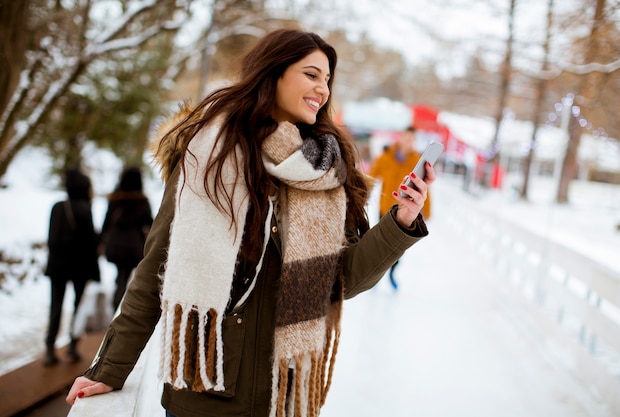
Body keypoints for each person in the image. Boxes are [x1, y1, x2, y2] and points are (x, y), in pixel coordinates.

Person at [66, 29, 435, 417]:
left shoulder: (325, 168)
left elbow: (341, 280)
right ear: (273, 73)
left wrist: (403, 220)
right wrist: (110, 368)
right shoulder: (209, 154)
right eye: (311, 74)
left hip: (284, 397)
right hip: (206, 396)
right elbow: (157, 267)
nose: (323, 89)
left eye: (327, 79)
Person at [43, 168, 100, 366]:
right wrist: (95, 271)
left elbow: (51, 239)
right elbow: (90, 244)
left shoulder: (58, 207)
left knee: (56, 306)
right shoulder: (85, 209)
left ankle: (49, 349)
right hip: (79, 267)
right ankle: (73, 346)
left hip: (58, 266)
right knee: (78, 306)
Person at [369, 126, 432, 291]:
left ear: (414, 141)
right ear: (401, 138)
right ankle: (375, 277)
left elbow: (425, 187)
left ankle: (391, 273)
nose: (408, 141)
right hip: (384, 207)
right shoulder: (387, 156)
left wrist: (427, 210)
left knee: (398, 248)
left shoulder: (417, 161)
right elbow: (371, 176)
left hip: (404, 211)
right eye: (406, 138)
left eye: (411, 139)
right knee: (380, 244)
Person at [100, 166, 153, 312]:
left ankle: (116, 305)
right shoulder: (142, 201)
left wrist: (101, 241)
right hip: (133, 246)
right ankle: (122, 308)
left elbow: (106, 222)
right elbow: (150, 224)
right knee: (127, 277)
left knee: (120, 277)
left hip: (115, 245)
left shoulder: (115, 199)